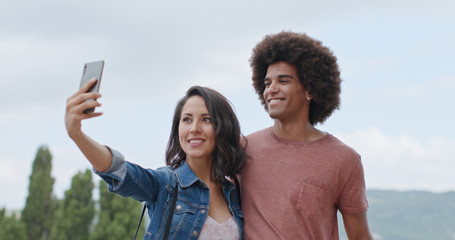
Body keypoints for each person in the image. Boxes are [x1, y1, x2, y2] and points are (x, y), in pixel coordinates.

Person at [65, 81, 246, 240]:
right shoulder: (166, 183)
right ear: (178, 129)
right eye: (187, 120)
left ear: (223, 127)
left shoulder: (232, 192)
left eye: (206, 119)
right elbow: (118, 170)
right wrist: (77, 135)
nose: (194, 128)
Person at [239, 31, 373, 239]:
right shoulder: (243, 148)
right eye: (267, 83)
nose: (271, 89)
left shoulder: (344, 160)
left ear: (310, 89)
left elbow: (360, 236)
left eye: (283, 81)